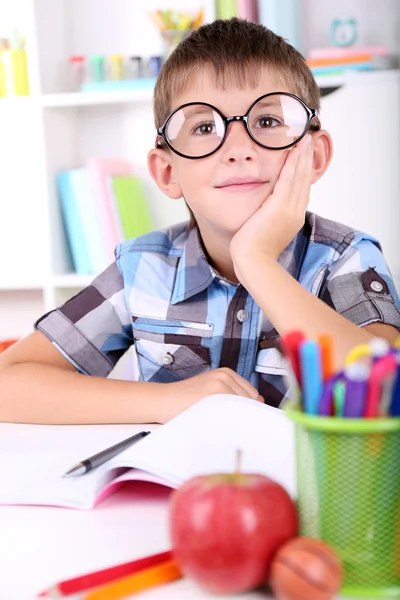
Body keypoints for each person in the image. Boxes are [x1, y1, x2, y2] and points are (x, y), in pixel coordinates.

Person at [1, 18, 399, 425]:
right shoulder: (141, 269)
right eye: (205, 127)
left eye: (266, 121)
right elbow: (8, 383)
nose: (239, 149)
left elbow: (387, 391)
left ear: (314, 156)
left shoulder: (346, 258)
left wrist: (256, 260)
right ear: (167, 173)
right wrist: (166, 401)